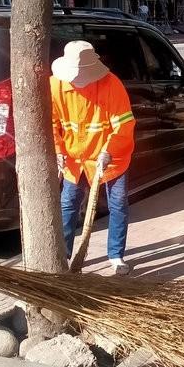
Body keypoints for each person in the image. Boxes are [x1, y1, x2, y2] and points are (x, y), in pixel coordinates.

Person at [51, 41, 136, 274]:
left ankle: (116, 255)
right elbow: (52, 124)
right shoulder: (56, 85)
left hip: (110, 157)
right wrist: (58, 150)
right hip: (74, 158)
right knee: (68, 204)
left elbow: (124, 124)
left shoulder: (111, 85)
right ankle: (64, 255)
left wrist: (109, 150)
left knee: (117, 204)